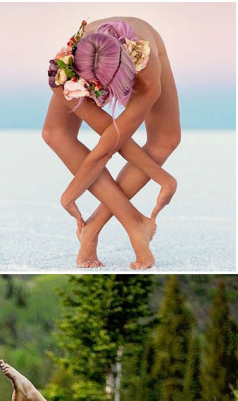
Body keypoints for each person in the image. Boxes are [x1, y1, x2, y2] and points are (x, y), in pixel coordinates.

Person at [43, 16, 180, 269]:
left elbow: (111, 144)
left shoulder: (146, 77)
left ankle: (94, 228)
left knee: (166, 139)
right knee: (55, 132)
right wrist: (162, 177)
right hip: (83, 67)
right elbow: (109, 138)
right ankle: (134, 223)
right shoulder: (63, 73)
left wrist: (71, 194)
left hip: (146, 54)